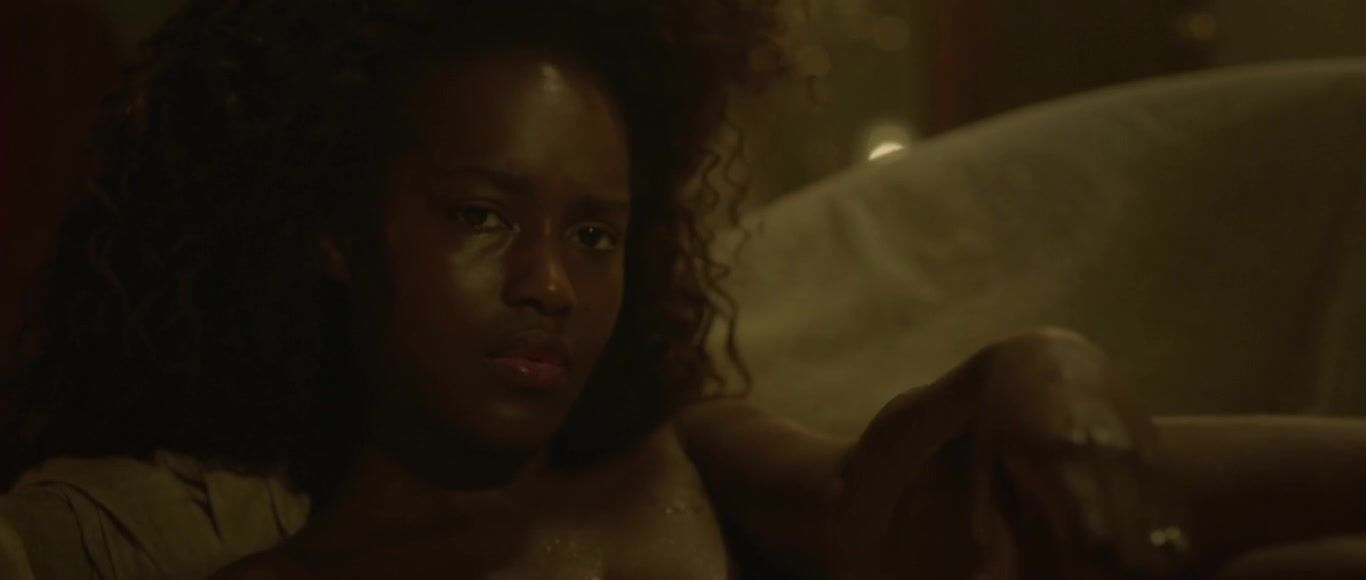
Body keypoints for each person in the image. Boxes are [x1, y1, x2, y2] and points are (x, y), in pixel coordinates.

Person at [2, 1, 1364, 578]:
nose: (548, 285)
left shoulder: (671, 453)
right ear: (338, 235)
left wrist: (1037, 364)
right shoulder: (127, 526)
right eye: (480, 216)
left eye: (596, 234)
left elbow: (881, 491)